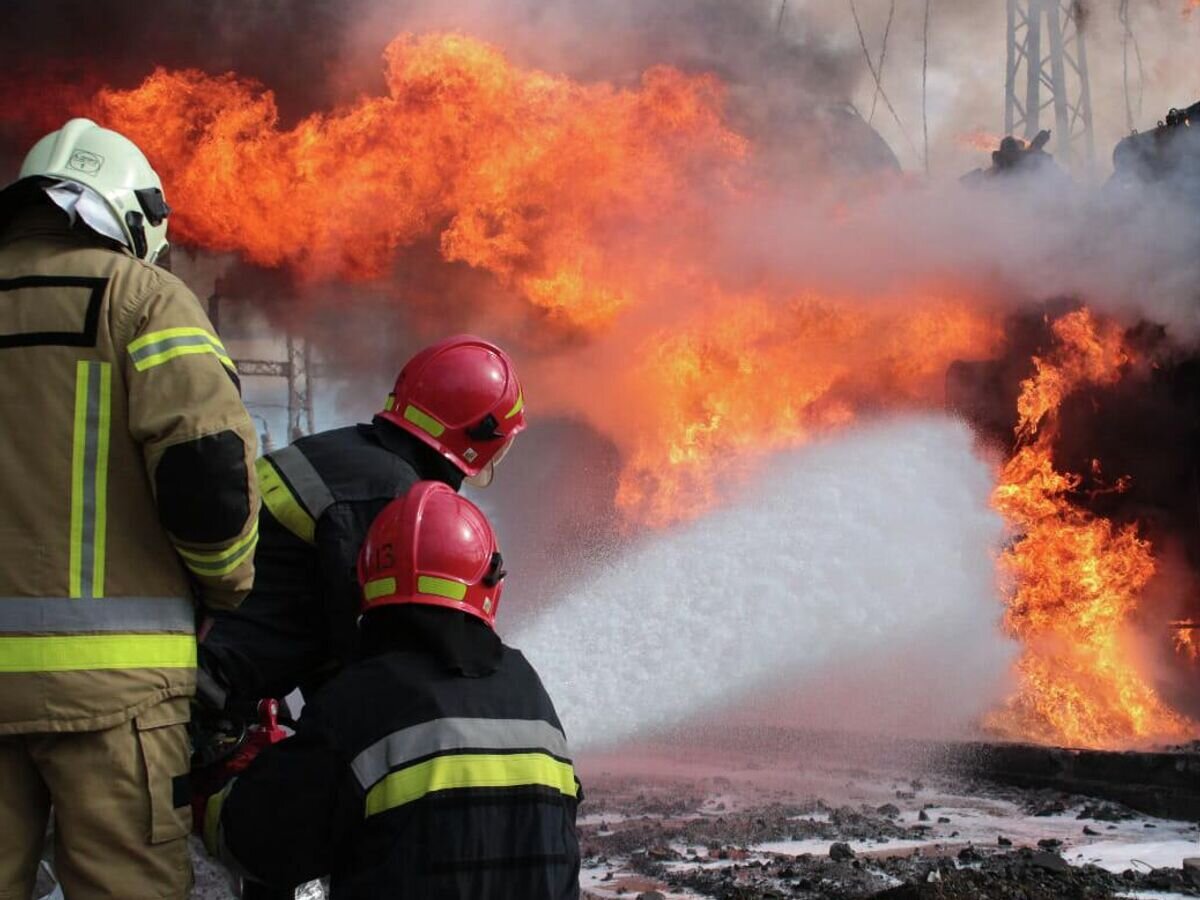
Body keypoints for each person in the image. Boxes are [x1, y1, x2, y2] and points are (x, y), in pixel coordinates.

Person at [0, 118, 260, 899]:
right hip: (119, 700)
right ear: (134, 212)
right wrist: (222, 589)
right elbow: (208, 478)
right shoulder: (144, 299)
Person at [203, 481, 581, 899]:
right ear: (488, 585)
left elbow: (254, 843)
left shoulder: (361, 700)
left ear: (368, 582)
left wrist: (234, 780)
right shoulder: (529, 691)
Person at [199, 334, 526, 711]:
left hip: (221, 664)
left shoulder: (342, 453)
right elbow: (363, 637)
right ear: (478, 435)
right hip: (216, 685)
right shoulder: (386, 497)